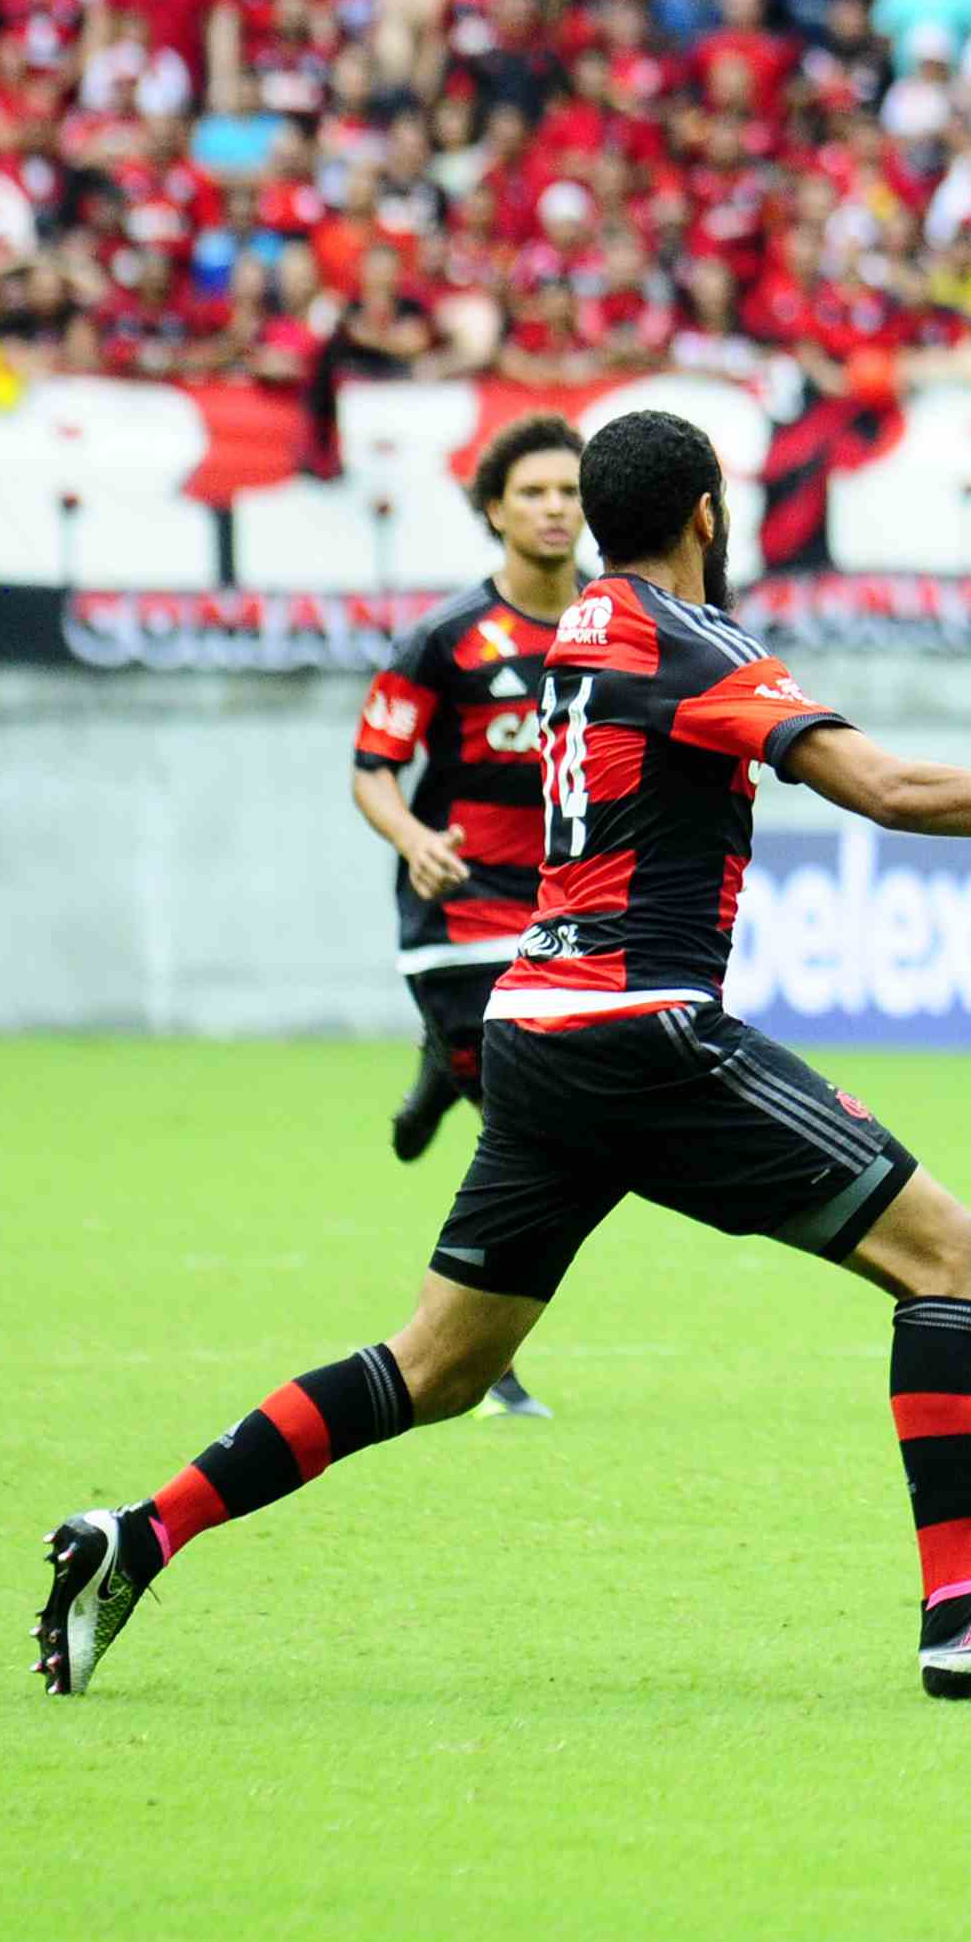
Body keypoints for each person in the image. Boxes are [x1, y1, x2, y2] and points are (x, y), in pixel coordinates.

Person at [36, 409, 971, 1701]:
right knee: (955, 1256)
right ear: (710, 512)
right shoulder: (687, 639)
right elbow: (887, 790)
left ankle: (142, 1532)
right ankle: (963, 1612)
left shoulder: (578, 633)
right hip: (640, 1027)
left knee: (438, 1367)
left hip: (538, 1028)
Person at [349, 413, 588, 1416]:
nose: (554, 508)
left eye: (571, 492)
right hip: (454, 912)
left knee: (557, 1127)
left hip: (561, 913)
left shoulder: (610, 631)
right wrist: (413, 840)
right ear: (493, 509)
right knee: (521, 1131)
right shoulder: (444, 638)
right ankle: (486, 1358)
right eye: (533, 491)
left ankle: (442, 1074)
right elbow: (372, 772)